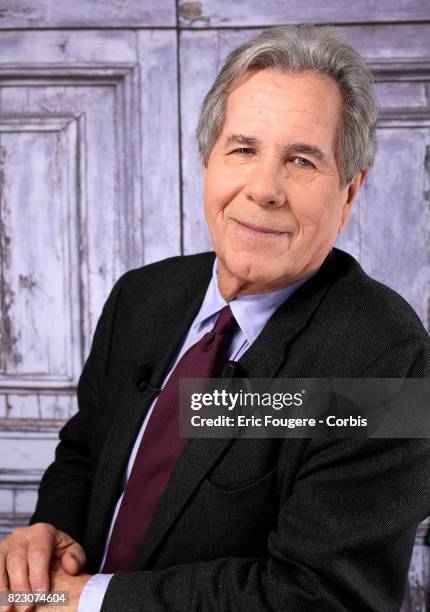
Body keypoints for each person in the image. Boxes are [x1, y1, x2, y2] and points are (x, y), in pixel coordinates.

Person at [1, 24, 430, 612]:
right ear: (208, 161)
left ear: (349, 192)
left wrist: (87, 601)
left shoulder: (391, 363)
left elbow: (323, 597)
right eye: (244, 149)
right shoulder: (141, 296)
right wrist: (48, 534)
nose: (264, 189)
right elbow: (84, 450)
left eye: (301, 160)